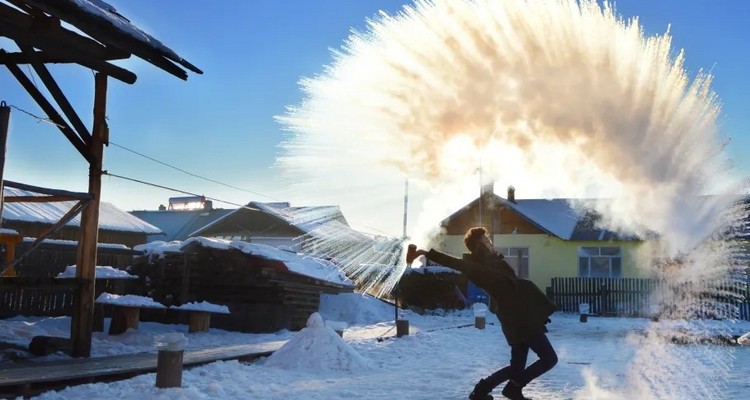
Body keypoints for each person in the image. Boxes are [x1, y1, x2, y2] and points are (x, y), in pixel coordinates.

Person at [414, 226, 557, 400]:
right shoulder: (476, 268)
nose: (491, 242)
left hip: (519, 316)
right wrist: (427, 253)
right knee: (549, 358)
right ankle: (513, 388)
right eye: (487, 240)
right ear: (479, 244)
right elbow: (455, 263)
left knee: (516, 368)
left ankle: (484, 391)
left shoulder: (495, 261)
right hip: (518, 320)